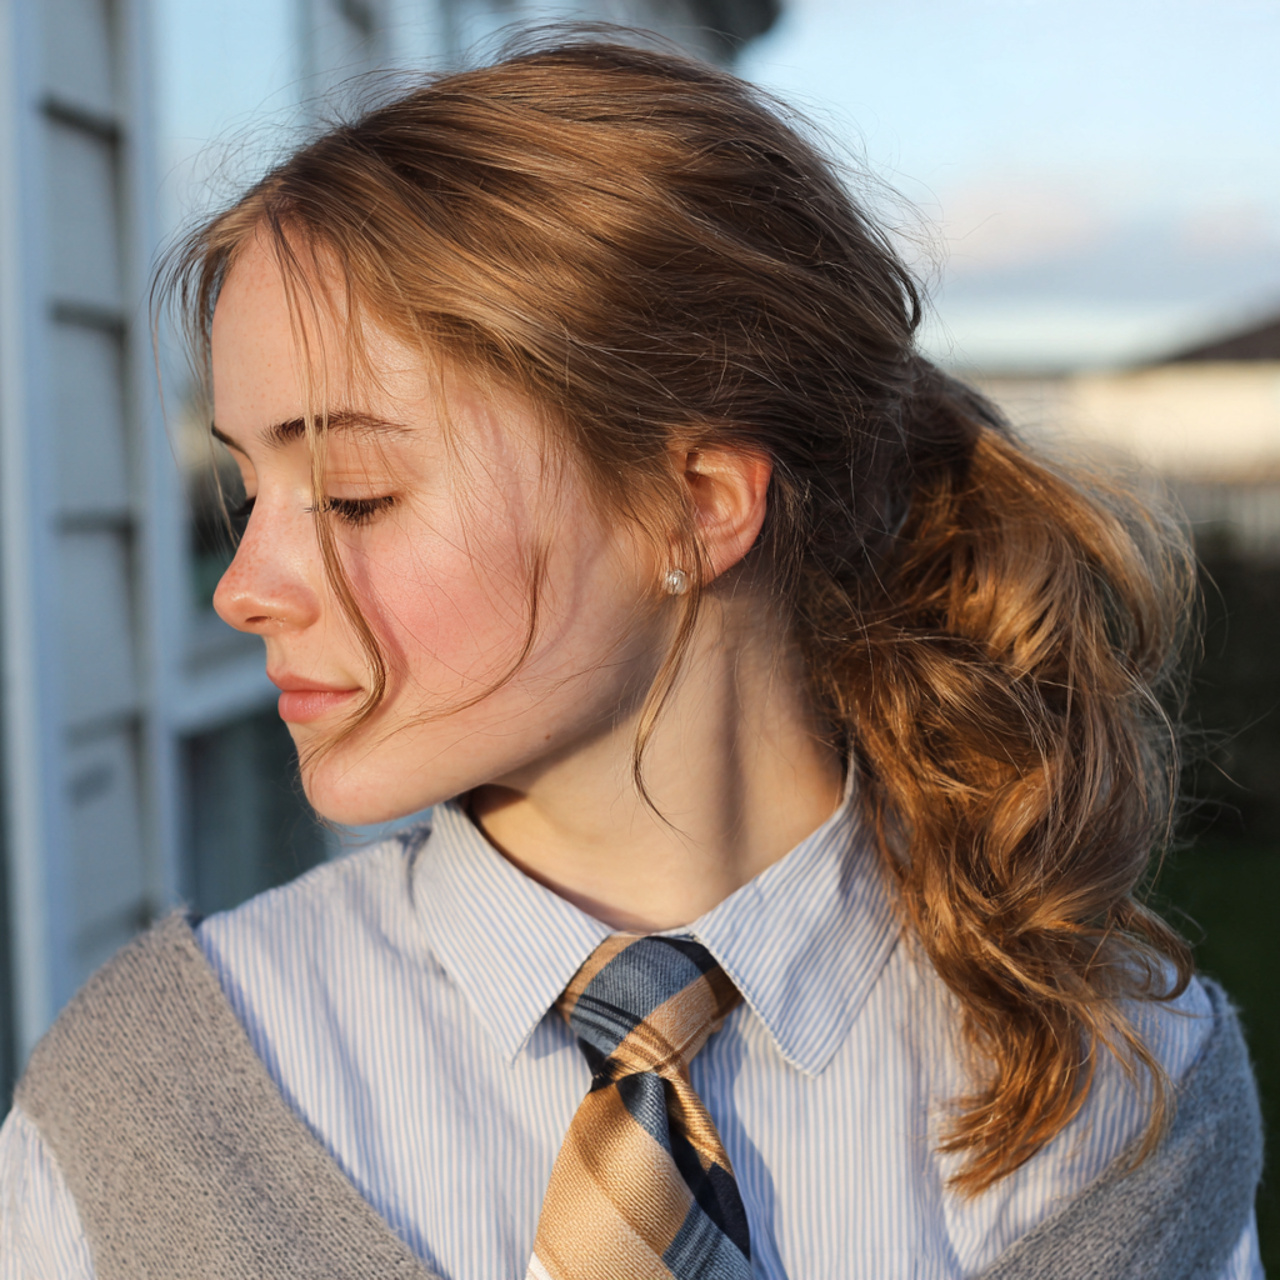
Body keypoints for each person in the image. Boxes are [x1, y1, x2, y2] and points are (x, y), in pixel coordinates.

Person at [0, 32, 1264, 1280]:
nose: (242, 588)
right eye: (247, 488)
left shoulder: (1120, 1085)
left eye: (357, 494)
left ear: (696, 505)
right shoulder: (150, 1106)